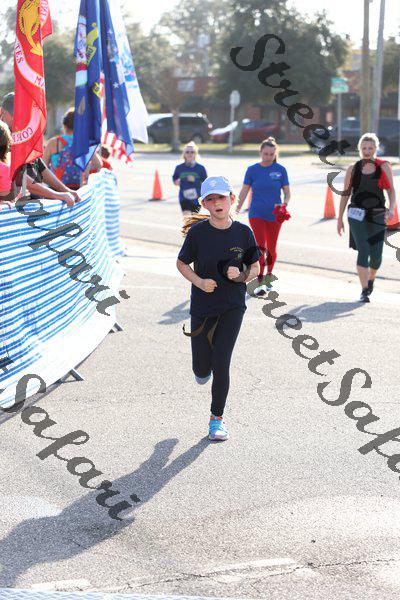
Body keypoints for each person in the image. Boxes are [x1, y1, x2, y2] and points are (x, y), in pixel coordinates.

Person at [176, 176, 260, 441]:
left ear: (231, 199)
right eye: (210, 199)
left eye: (221, 197)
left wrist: (242, 276)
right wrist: (200, 282)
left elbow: (255, 268)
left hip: (232, 305)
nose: (216, 203)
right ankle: (202, 370)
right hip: (203, 305)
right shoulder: (198, 233)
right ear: (204, 204)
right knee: (202, 368)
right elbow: (181, 263)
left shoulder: (243, 233)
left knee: (221, 361)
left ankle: (216, 420)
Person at [337, 133, 396, 302]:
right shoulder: (353, 169)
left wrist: (391, 209)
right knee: (363, 250)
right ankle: (364, 290)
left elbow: (391, 191)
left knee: (376, 255)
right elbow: (345, 194)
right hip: (356, 214)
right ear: (359, 149)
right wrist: (340, 218)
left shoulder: (383, 166)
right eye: (364, 148)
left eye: (370, 148)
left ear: (376, 149)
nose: (367, 151)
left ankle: (371, 280)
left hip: (377, 213)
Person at [0, 93, 78, 206]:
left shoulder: (25, 136)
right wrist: (57, 195)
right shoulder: (4, 139)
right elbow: (20, 177)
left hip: (35, 204)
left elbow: (41, 168)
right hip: (18, 207)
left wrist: (65, 190)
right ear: (2, 111)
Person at [236, 137, 291, 296]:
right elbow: (244, 191)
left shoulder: (281, 170)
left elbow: (287, 192)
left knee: (272, 247)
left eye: (271, 154)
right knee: (261, 247)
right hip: (256, 213)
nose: (268, 157)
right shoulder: (252, 170)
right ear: (260, 152)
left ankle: (268, 277)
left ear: (275, 154)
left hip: (275, 215)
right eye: (265, 154)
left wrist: (284, 204)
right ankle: (259, 280)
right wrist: (236, 208)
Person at [44, 107, 102, 189]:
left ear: (64, 125)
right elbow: (98, 164)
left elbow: (43, 168)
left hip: (56, 188)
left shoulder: (53, 142)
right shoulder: (84, 142)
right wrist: (85, 167)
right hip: (78, 187)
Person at [172, 142, 207, 217]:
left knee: (194, 220)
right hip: (184, 197)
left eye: (192, 152)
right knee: (187, 218)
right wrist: (175, 181)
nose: (189, 154)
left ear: (195, 154)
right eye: (187, 152)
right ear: (184, 154)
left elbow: (205, 184)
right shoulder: (179, 167)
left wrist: (195, 181)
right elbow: (174, 177)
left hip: (197, 198)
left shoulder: (201, 168)